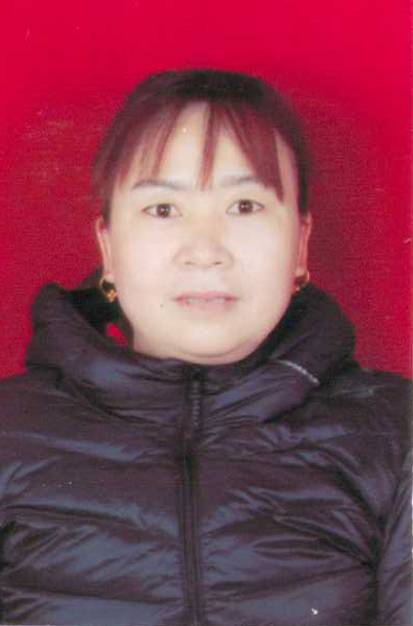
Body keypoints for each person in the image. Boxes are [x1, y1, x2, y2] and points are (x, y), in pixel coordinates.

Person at [0, 69, 411, 626]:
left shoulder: (397, 437)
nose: (205, 249)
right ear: (109, 248)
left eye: (245, 206)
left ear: (300, 244)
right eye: (163, 210)